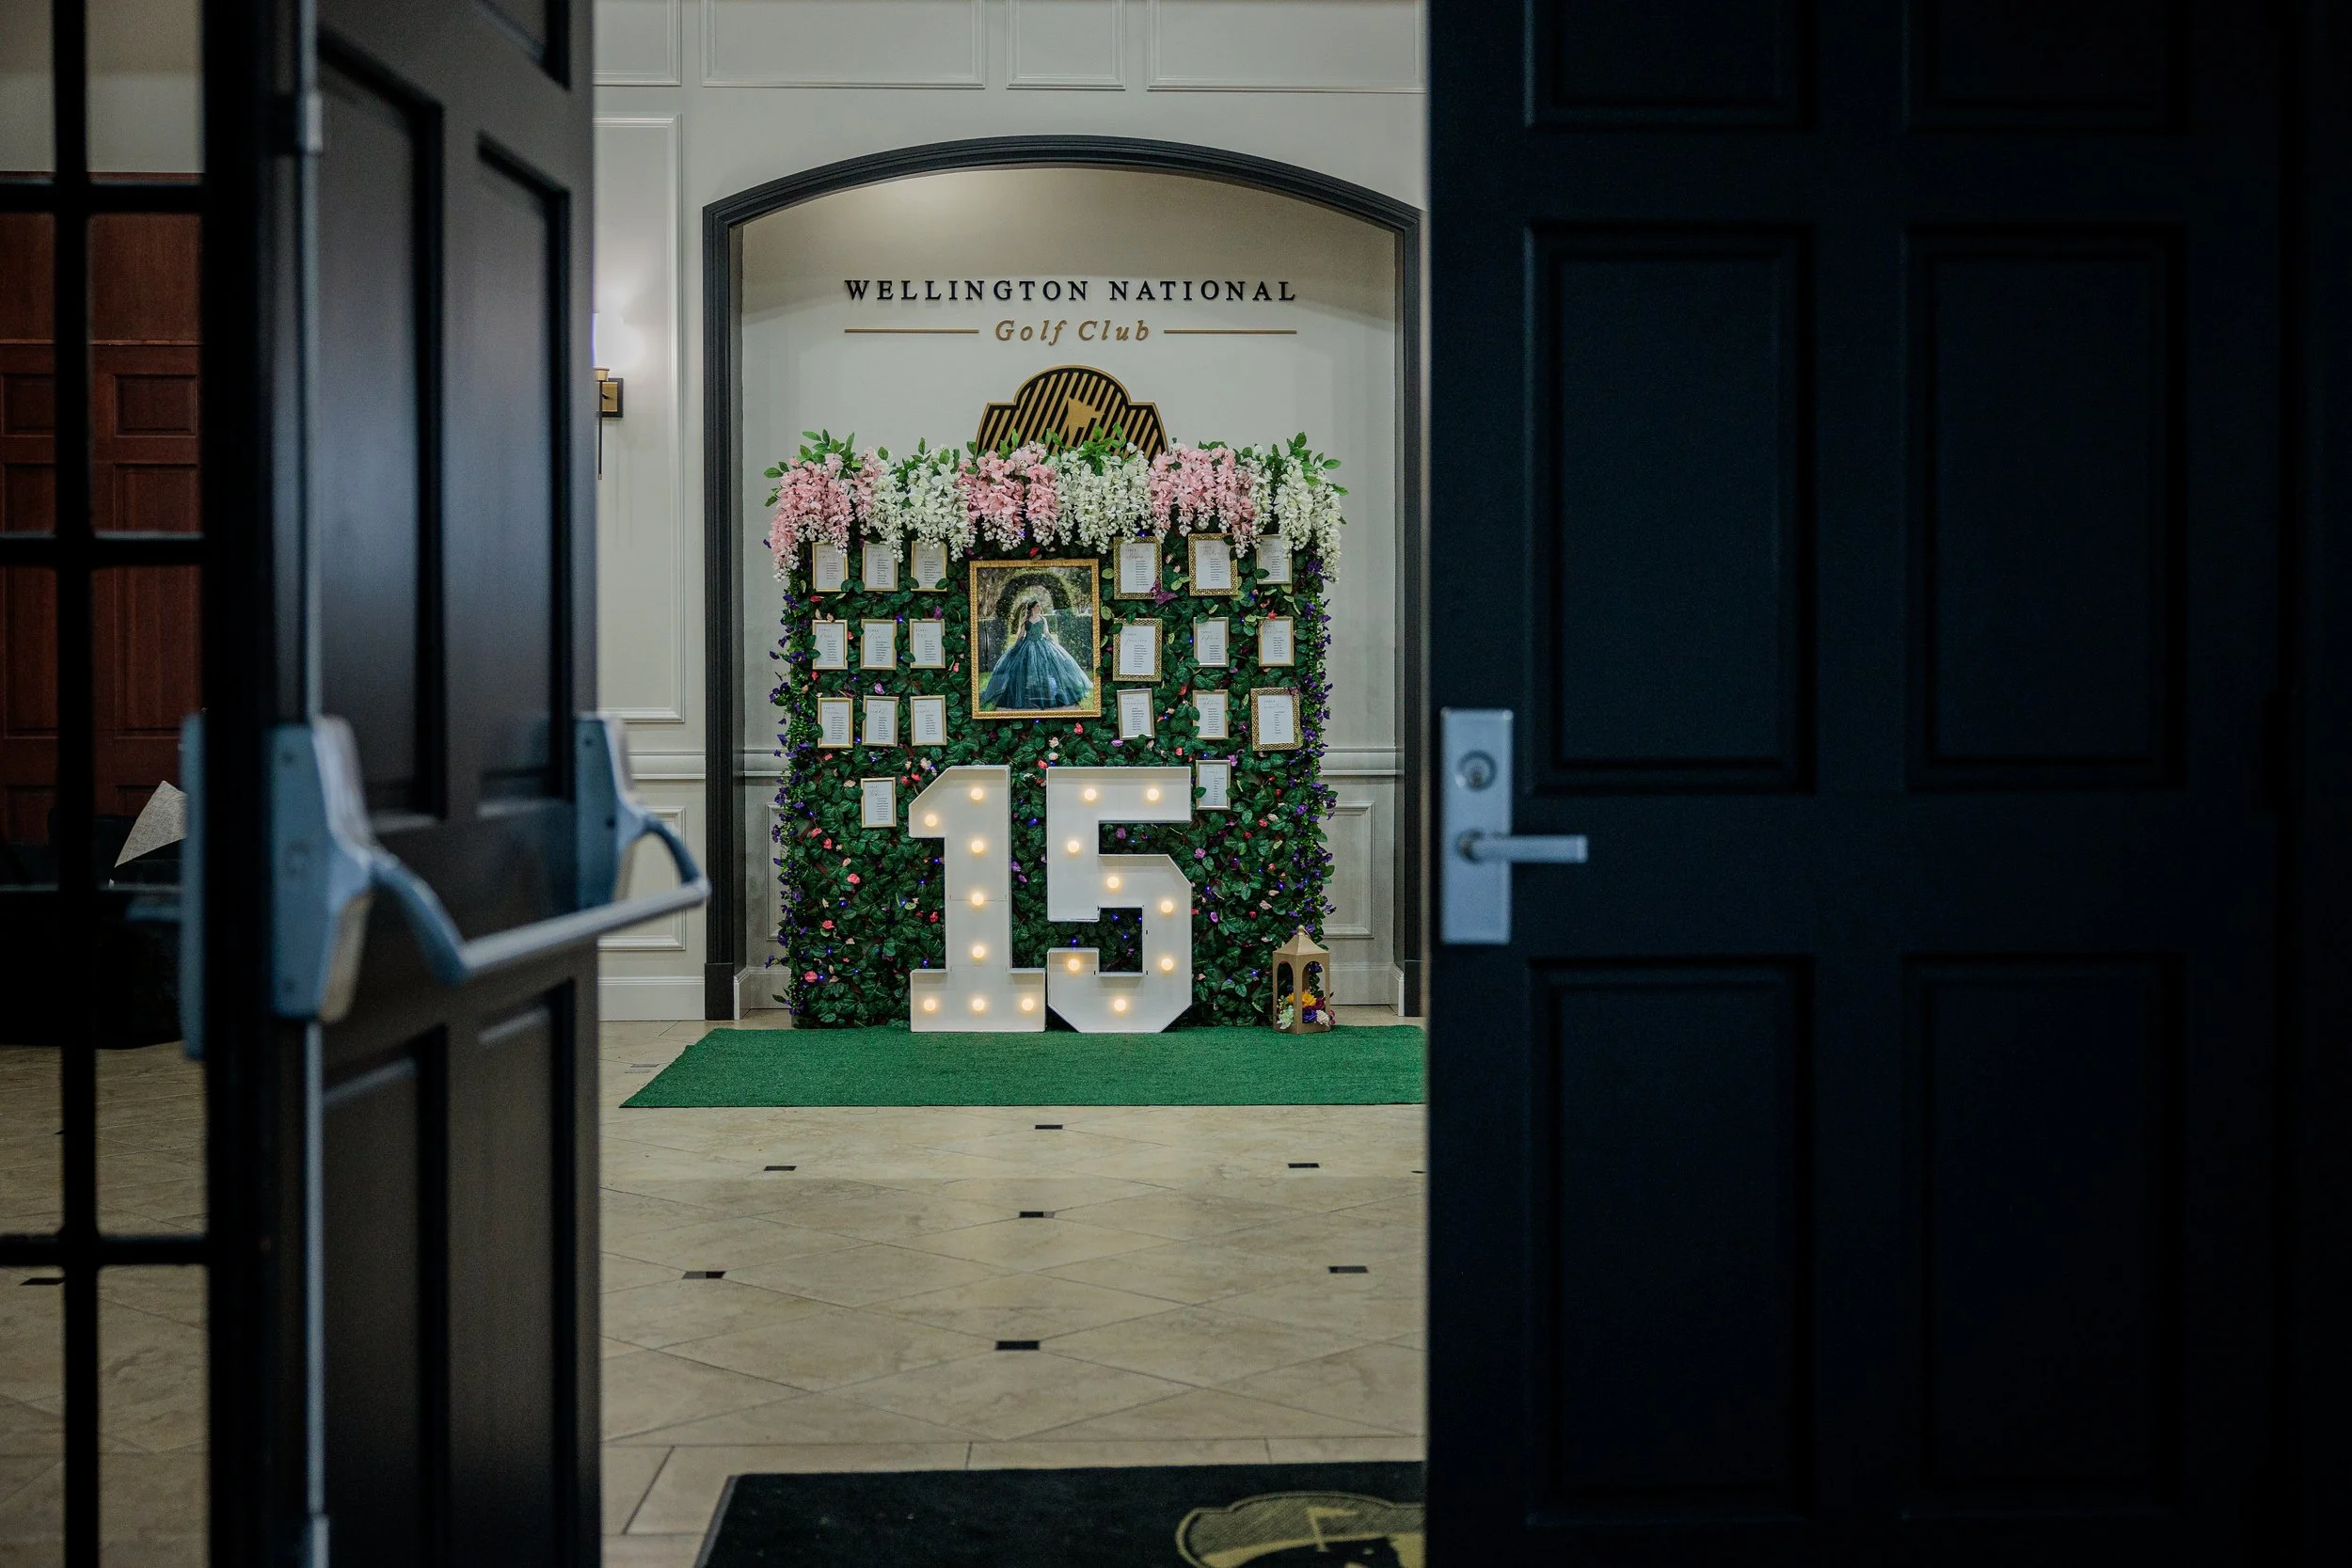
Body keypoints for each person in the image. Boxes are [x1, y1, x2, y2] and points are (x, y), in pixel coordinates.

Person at [981, 592, 1091, 710]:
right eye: (1038, 606)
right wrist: (1016, 645)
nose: (1040, 608)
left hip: (1041, 644)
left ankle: (1044, 692)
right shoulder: (1026, 619)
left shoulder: (1043, 619)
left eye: (1040, 606)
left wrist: (1053, 642)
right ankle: (1025, 692)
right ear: (1033, 608)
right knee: (1024, 669)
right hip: (1027, 645)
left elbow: (1046, 633)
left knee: (1045, 668)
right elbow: (1021, 634)